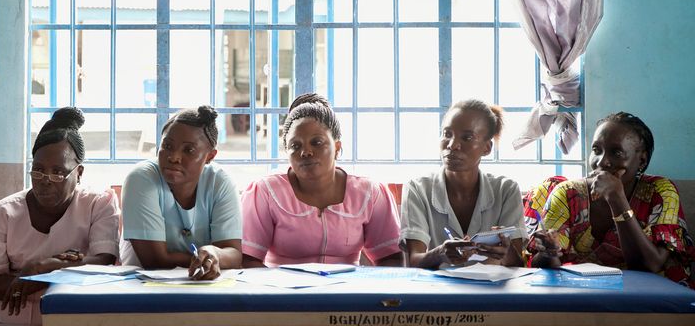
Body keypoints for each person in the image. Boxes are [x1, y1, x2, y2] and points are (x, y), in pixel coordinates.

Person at [0, 107, 120, 326]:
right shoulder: (3, 214)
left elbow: (103, 263)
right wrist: (60, 269)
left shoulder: (98, 204)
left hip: (69, 318)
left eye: (58, 172)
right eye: (38, 170)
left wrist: (45, 266)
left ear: (79, 173)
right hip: (3, 318)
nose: (45, 180)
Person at [529, 112, 695, 287]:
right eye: (596, 150)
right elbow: (541, 267)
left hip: (650, 297)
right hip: (582, 295)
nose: (602, 162)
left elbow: (650, 265)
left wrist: (617, 199)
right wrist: (548, 253)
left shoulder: (660, 192)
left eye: (616, 152)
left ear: (642, 160)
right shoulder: (567, 194)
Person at [241, 93, 402, 267]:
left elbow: (390, 258)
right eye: (295, 146)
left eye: (317, 142)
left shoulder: (370, 193)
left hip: (347, 285)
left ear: (337, 147)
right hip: (281, 284)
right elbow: (248, 259)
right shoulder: (265, 192)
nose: (306, 152)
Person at [400, 99, 527, 269]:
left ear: (487, 148)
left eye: (467, 137)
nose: (452, 145)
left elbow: (518, 264)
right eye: (447, 134)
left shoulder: (506, 190)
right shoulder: (417, 189)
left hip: (492, 286)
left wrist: (507, 251)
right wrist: (440, 254)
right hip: (437, 286)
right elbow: (413, 261)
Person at [120, 105, 241, 279]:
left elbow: (234, 255)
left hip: (202, 286)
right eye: (167, 145)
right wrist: (211, 260)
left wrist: (214, 252)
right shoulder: (141, 179)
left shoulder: (219, 182)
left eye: (188, 150)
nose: (174, 157)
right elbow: (155, 261)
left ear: (210, 156)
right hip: (141, 285)